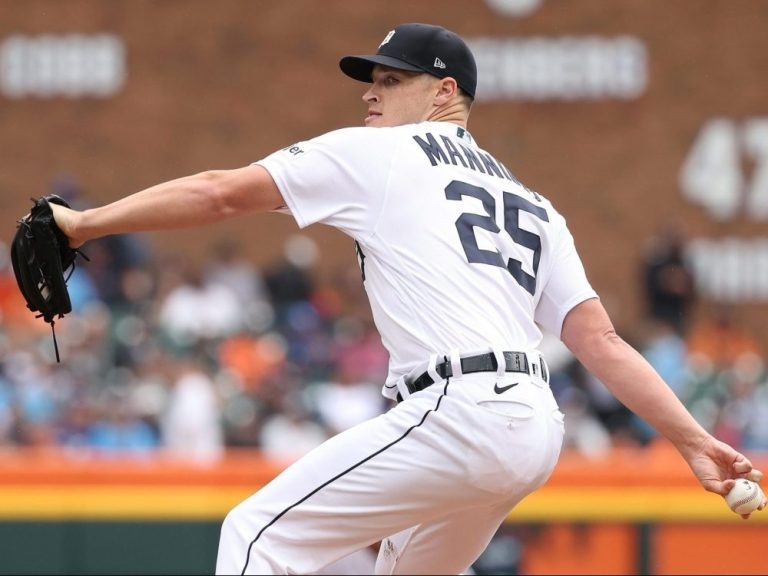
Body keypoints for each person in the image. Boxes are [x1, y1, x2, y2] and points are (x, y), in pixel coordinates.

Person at [47, 22, 764, 575]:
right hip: (533, 427)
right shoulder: (534, 203)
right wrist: (694, 442)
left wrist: (85, 222)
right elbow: (601, 343)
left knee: (257, 533)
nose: (370, 93)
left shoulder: (385, 154)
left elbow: (217, 191)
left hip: (462, 409)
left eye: (391, 80)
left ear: (443, 93)